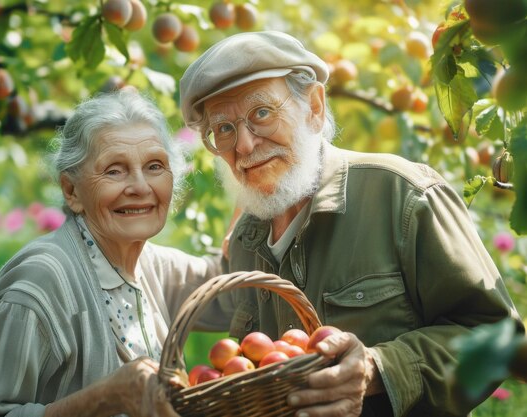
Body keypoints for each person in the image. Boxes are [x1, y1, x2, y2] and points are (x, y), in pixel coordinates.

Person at [179, 31, 524, 417]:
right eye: (223, 129)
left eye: (261, 113)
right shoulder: (246, 239)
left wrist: (380, 368)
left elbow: (499, 339)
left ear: (313, 106)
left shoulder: (401, 194)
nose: (243, 145)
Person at [0, 90, 229, 417]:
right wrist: (102, 399)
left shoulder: (151, 264)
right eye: (114, 170)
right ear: (71, 191)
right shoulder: (40, 282)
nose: (140, 187)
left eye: (154, 166)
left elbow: (232, 285)